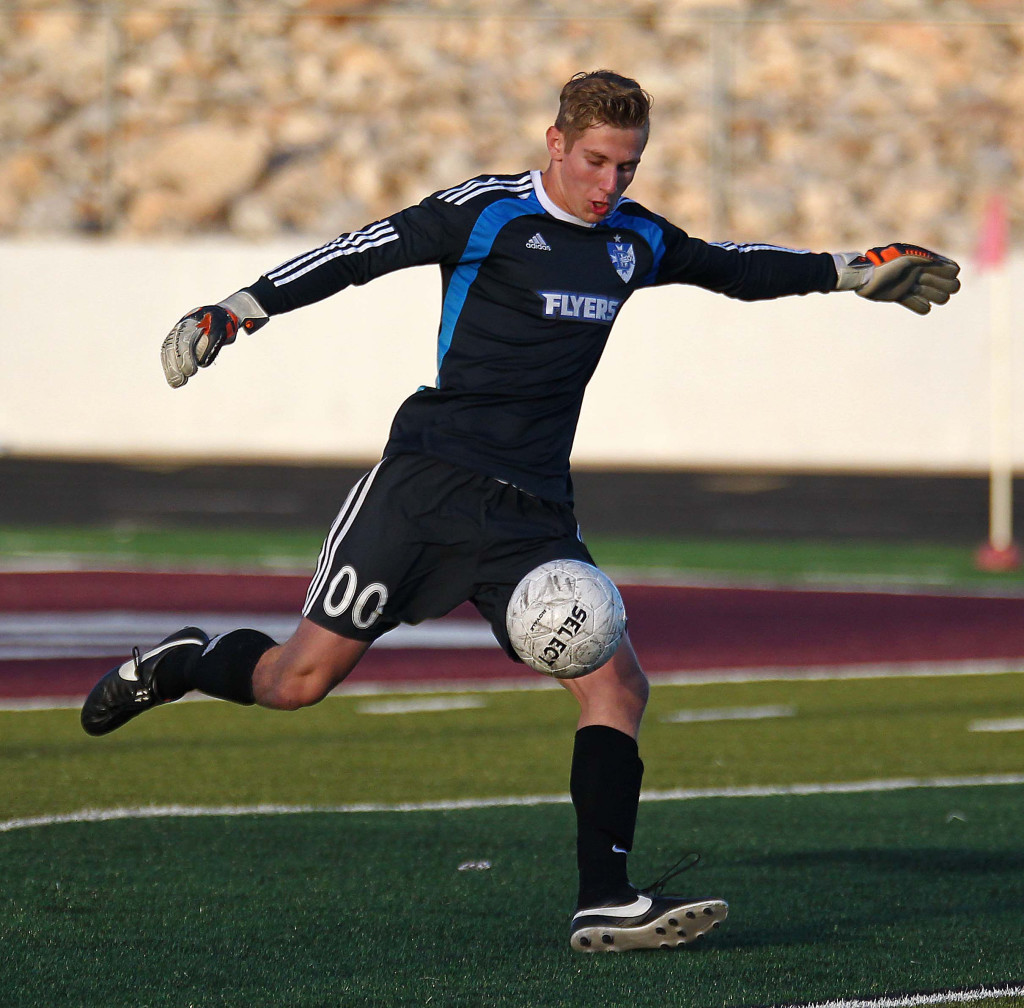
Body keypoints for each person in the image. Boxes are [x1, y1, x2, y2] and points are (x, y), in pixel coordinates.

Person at [81, 70, 961, 952]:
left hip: (533, 509)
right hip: (425, 484)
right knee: (292, 684)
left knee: (617, 687)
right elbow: (356, 253)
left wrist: (852, 271)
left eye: (629, 166)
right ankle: (183, 663)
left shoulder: (637, 240)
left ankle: (605, 898)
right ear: (555, 143)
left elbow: (735, 268)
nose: (611, 184)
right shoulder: (486, 213)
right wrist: (237, 310)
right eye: (595, 161)